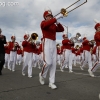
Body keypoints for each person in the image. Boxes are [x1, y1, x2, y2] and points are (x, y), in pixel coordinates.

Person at [39, 9, 64, 89]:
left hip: (53, 43)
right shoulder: (43, 23)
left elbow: (61, 29)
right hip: (46, 42)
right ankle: (42, 75)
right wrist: (55, 19)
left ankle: (51, 82)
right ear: (45, 17)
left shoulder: (53, 24)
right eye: (48, 16)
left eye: (51, 16)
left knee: (53, 64)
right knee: (48, 63)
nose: (50, 17)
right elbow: (45, 25)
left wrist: (58, 22)